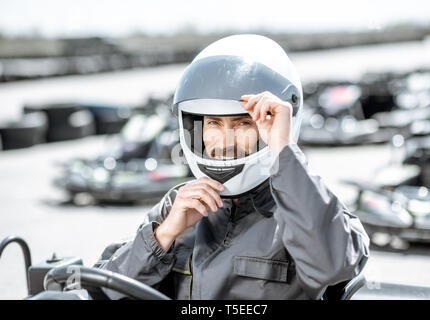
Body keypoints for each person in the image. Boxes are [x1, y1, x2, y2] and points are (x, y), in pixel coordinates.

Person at [95, 34, 370, 300]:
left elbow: (335, 264)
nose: (225, 141)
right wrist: (164, 235)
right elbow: (106, 288)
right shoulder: (177, 204)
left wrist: (283, 150)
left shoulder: (304, 208)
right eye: (213, 123)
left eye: (243, 124)